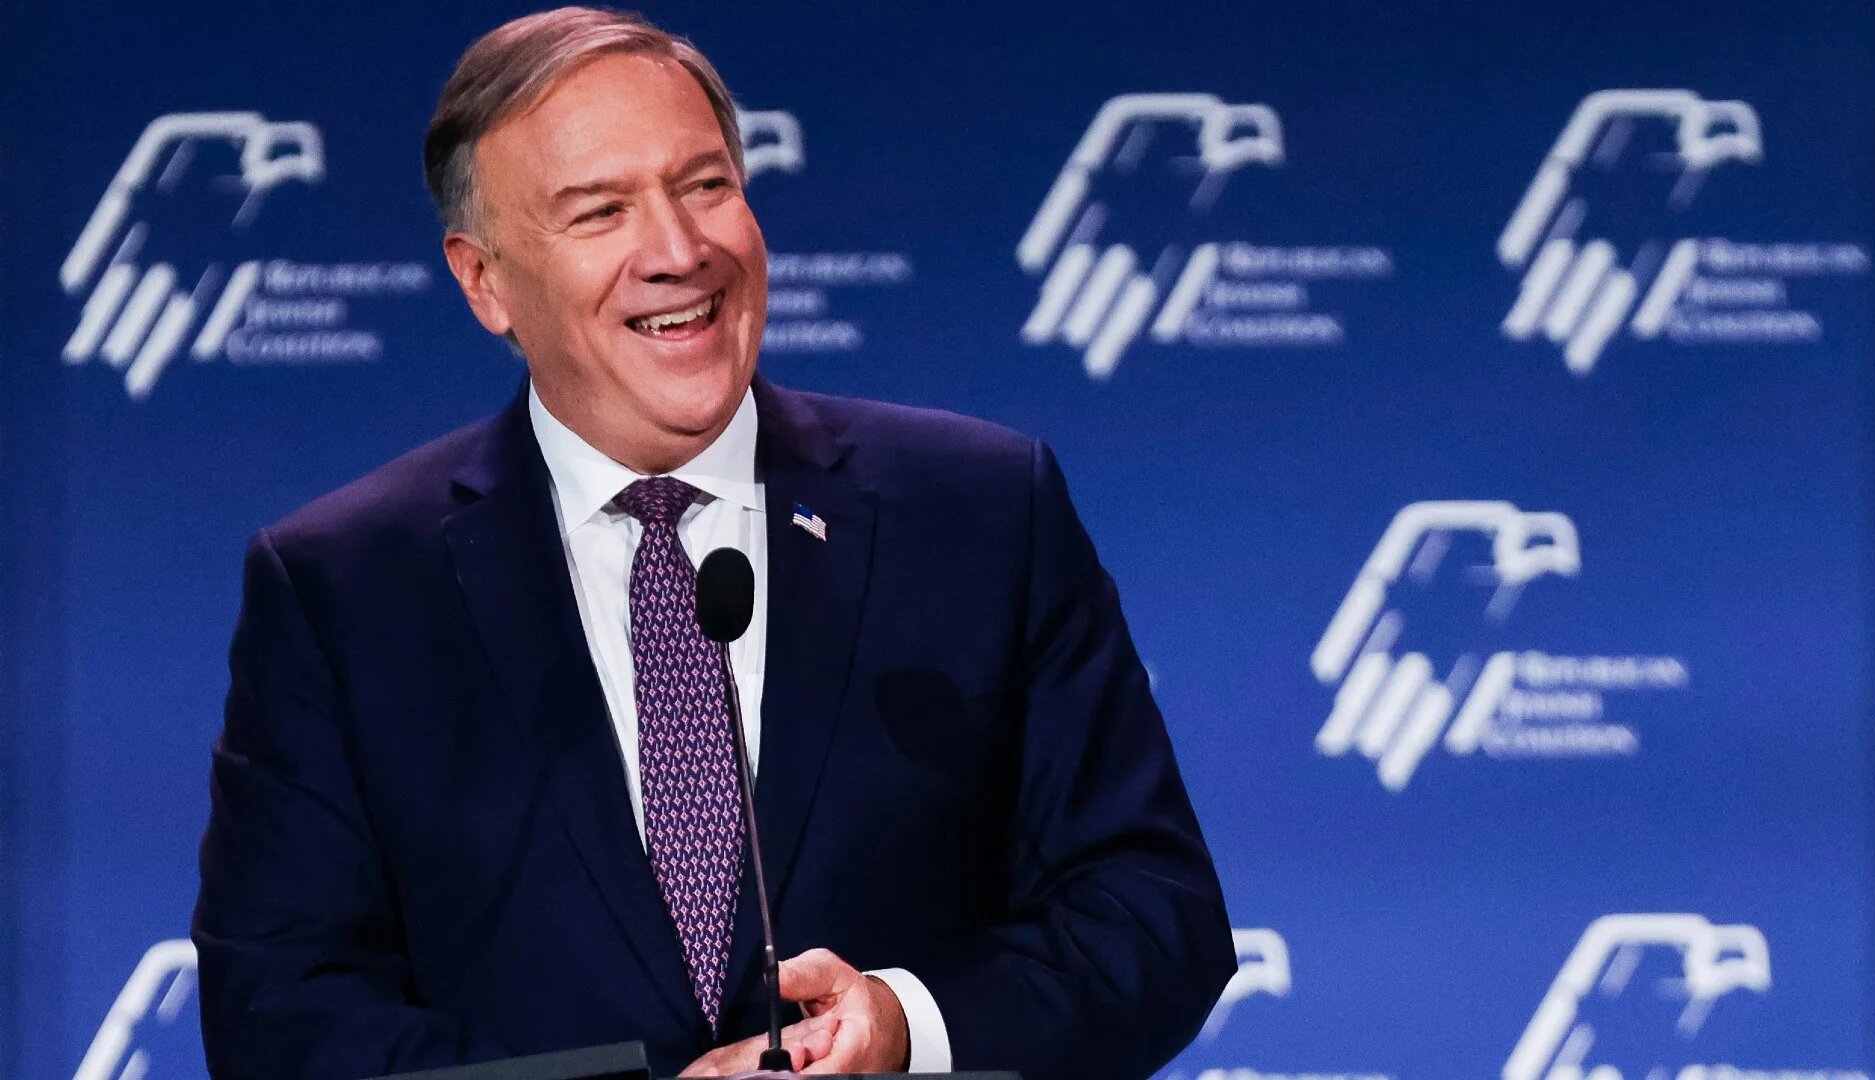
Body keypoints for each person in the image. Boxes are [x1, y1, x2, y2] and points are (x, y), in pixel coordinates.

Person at [192, 8, 1234, 1078]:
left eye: (705, 187)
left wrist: (903, 1027)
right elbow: (282, 1013)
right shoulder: (345, 587)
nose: (681, 252)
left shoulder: (979, 513)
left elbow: (1152, 912)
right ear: (484, 281)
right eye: (601, 212)